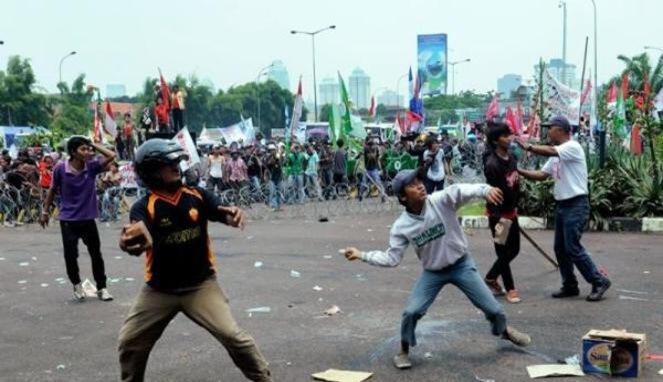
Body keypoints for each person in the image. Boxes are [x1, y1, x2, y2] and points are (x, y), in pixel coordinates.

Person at [343, 169, 530, 369]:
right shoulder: (401, 226)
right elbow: (391, 258)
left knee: (494, 310)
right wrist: (362, 255)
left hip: (461, 265)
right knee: (411, 312)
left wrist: (485, 190)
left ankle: (504, 330)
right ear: (403, 197)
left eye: (419, 181)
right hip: (433, 272)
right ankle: (404, 350)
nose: (420, 185)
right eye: (412, 185)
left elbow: (460, 190)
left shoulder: (440, 200)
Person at [117, 139, 272, 382]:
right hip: (159, 290)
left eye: (177, 161)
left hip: (201, 286)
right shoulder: (144, 206)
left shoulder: (197, 195)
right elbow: (138, 231)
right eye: (168, 163)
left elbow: (222, 211)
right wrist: (129, 240)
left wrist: (232, 214)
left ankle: (265, 379)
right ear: (151, 172)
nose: (176, 166)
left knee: (234, 337)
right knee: (130, 342)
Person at [516, 116, 611, 302]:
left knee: (572, 247)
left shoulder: (571, 147)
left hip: (576, 204)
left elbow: (550, 151)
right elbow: (542, 175)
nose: (547, 132)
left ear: (560, 129)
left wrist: (529, 147)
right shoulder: (557, 155)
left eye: (549, 128)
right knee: (560, 248)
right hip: (563, 205)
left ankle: (599, 280)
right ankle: (570, 285)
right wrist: (518, 171)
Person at [40, 136, 116, 301]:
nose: (88, 152)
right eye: (83, 149)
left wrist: (93, 144)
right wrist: (45, 212)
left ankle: (102, 288)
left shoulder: (92, 167)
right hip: (68, 220)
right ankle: (77, 284)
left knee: (96, 254)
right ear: (73, 152)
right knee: (71, 255)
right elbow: (52, 190)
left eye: (88, 149)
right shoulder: (60, 169)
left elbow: (111, 156)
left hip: (88, 218)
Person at [483, 122, 522, 303]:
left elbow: (515, 184)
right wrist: (497, 217)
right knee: (503, 252)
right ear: (495, 140)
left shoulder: (512, 158)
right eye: (505, 136)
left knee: (514, 249)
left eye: (509, 135)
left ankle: (491, 277)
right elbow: (494, 192)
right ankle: (511, 288)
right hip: (498, 214)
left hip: (511, 211)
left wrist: (516, 206)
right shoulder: (492, 164)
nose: (509, 138)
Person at [265, 143, 283, 211]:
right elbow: (269, 164)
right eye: (270, 150)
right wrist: (274, 158)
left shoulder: (278, 156)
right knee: (273, 192)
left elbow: (280, 164)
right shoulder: (268, 158)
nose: (272, 151)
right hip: (271, 177)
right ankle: (274, 206)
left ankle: (278, 206)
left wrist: (278, 157)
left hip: (279, 176)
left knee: (279, 192)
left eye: (273, 150)